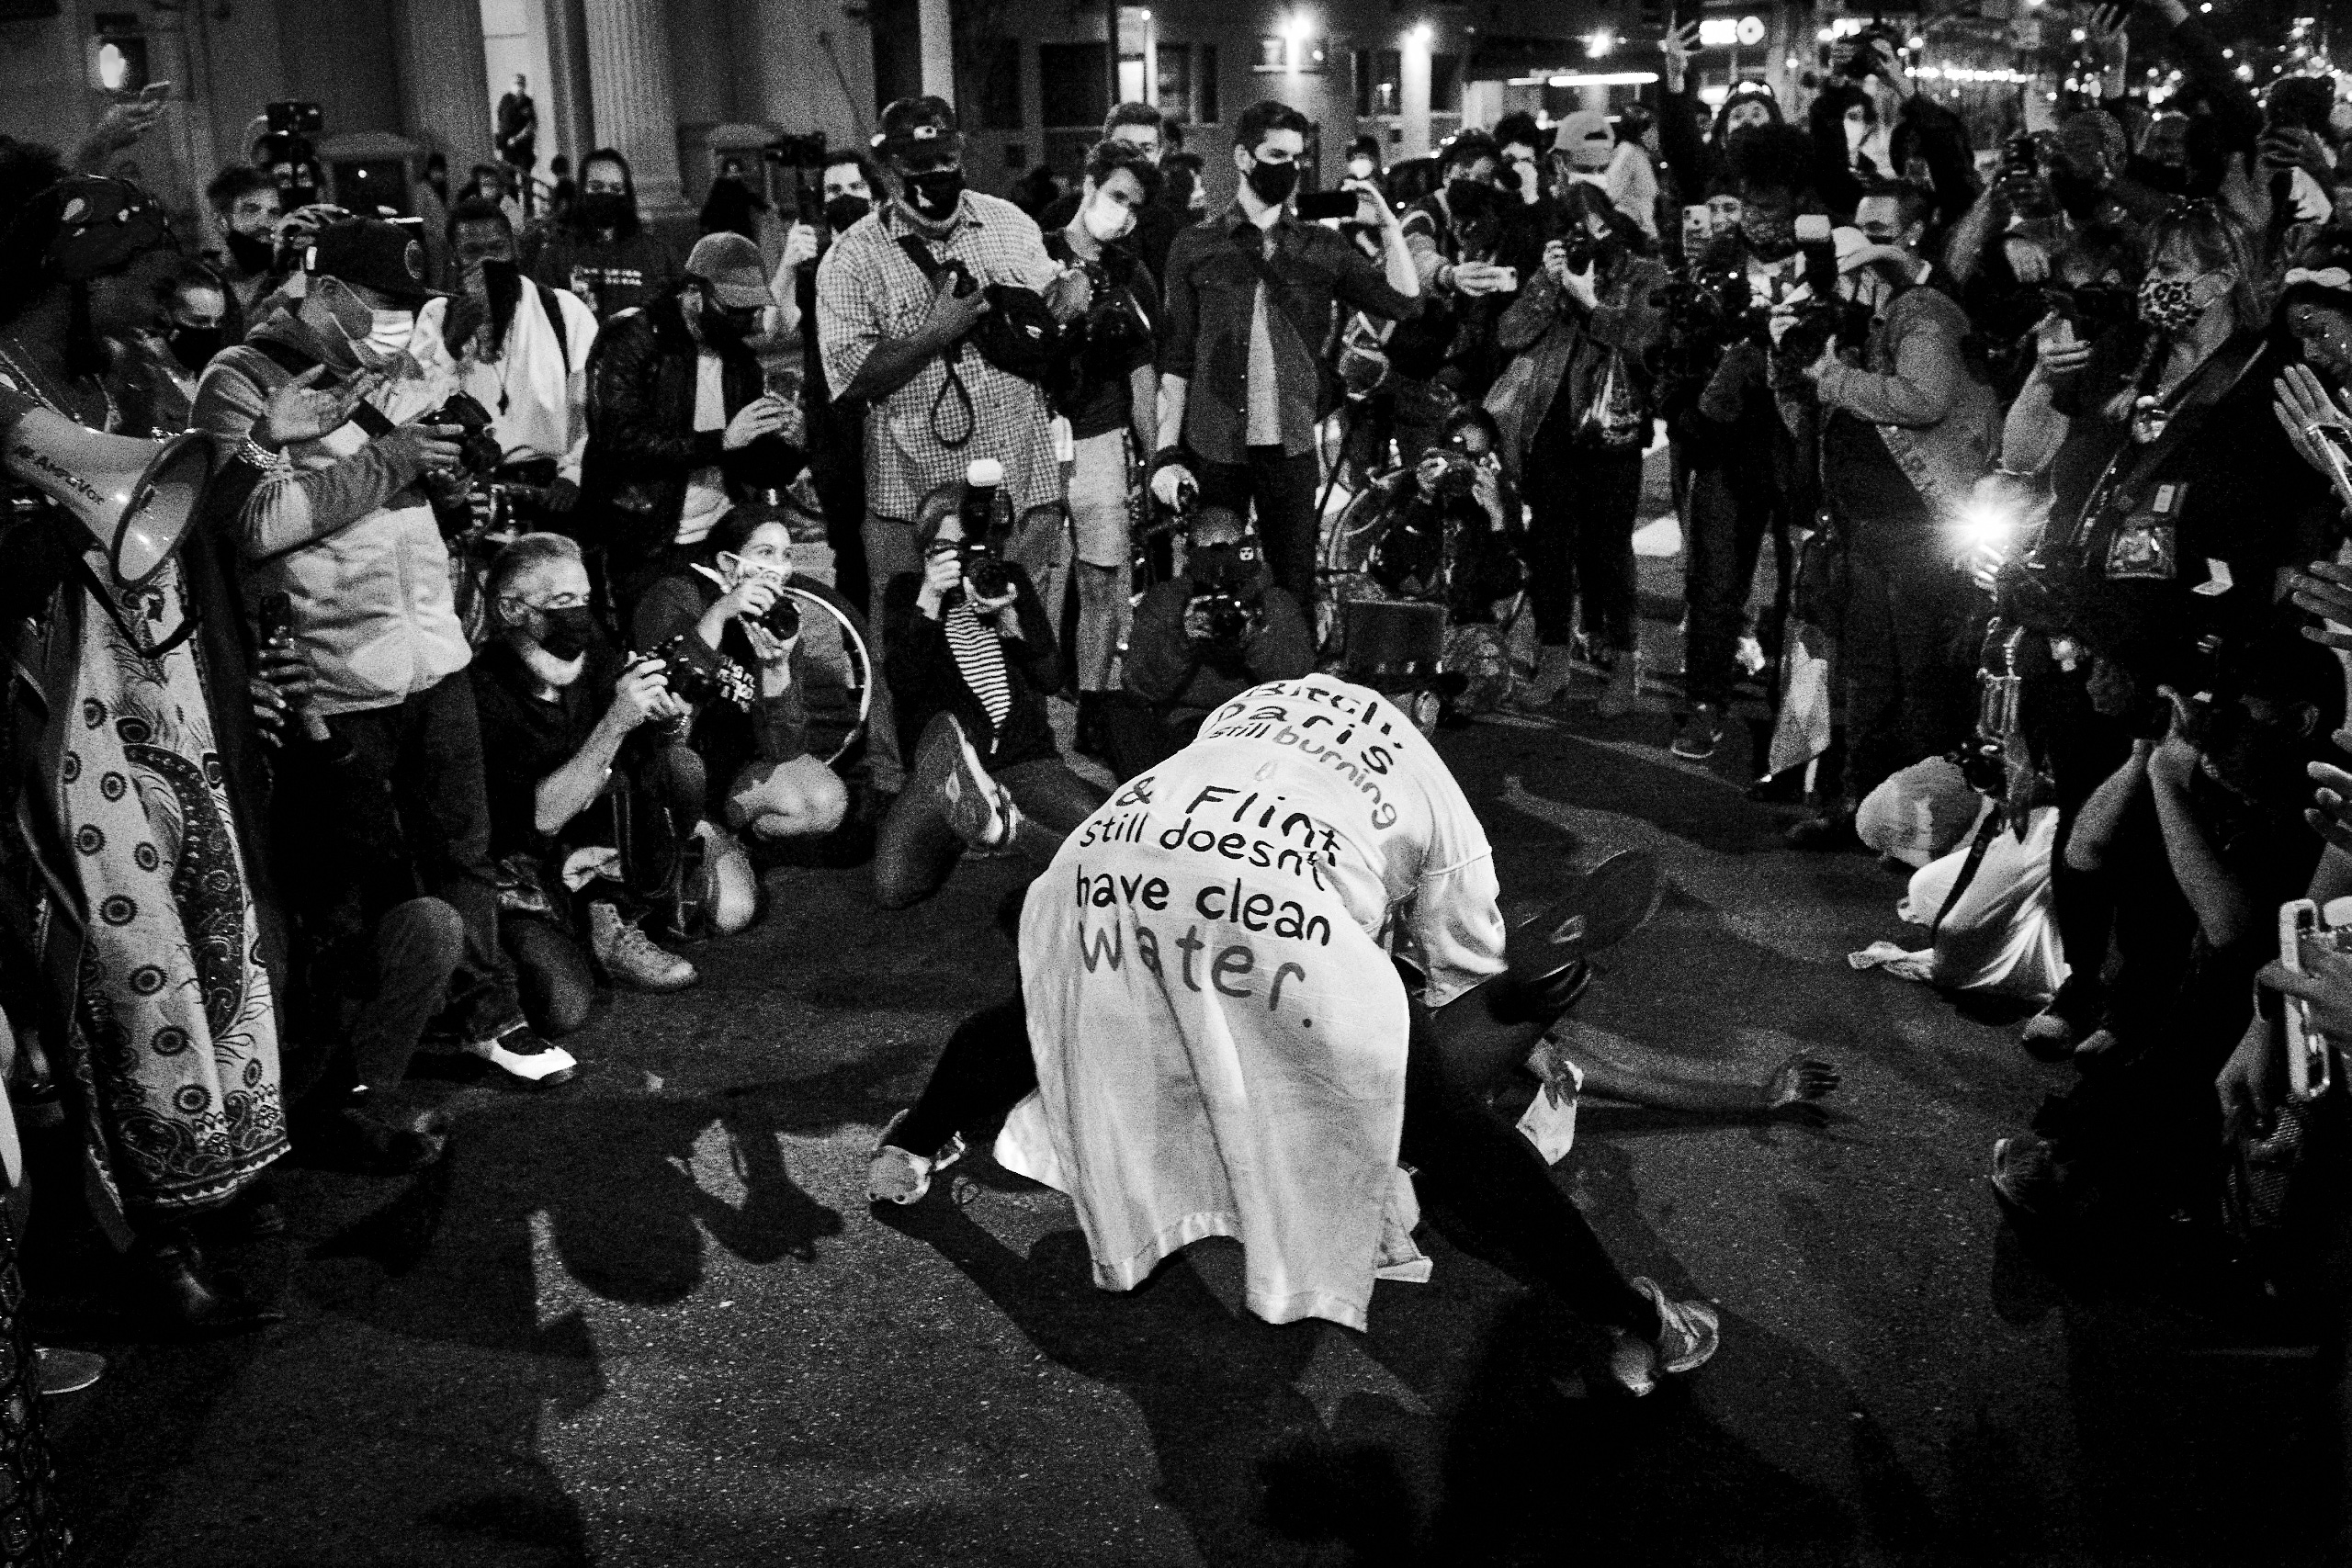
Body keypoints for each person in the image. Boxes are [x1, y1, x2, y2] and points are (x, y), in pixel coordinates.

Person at [870, 672, 1755, 1395]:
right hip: (1274, 921)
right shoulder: (1429, 780)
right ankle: (1637, 1323)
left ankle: (907, 1148)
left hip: (1113, 857)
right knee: (1452, 1137)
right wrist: (1498, 998)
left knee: (1032, 1020)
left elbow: (1204, 820)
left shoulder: (1255, 702)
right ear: (1420, 714)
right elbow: (1466, 971)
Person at [0, 175, 294, 1325]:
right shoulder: (11, 393)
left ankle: (227, 1166)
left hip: (163, 702)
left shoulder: (121, 373)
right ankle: (147, 1222)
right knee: (127, 961)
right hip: (63, 715)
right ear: (72, 279)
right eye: (131, 285)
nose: (151, 308)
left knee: (221, 931)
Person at [192, 217, 571, 1089]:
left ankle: (487, 1017)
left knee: (464, 852)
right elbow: (248, 524)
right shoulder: (239, 378)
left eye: (412, 302)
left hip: (432, 654)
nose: (400, 319)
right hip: (330, 671)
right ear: (321, 287)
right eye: (386, 301)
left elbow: (405, 498)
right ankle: (348, 1062)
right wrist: (395, 461)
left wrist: (440, 480)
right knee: (348, 881)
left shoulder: (397, 370)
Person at [816, 95, 1092, 793]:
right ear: (885, 169)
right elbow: (848, 378)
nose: (935, 174)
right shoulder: (852, 258)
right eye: (917, 164)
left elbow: (1053, 306)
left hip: (1019, 470)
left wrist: (1070, 298)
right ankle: (897, 776)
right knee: (903, 635)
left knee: (1013, 620)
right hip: (908, 488)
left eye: (946, 160)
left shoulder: (1008, 224)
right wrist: (935, 330)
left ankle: (1019, 765)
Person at [1782, 183, 1997, 844]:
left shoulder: (1922, 314)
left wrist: (1831, 378)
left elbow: (1923, 397)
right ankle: (1866, 811)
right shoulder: (1873, 321)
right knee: (1872, 678)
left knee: (1921, 680)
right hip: (1872, 528)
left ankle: (1924, 823)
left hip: (1919, 530)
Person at [1153, 99, 1421, 604]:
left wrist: (1388, 224)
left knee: (1292, 584)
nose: (1289, 170)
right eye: (1276, 155)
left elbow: (1405, 304)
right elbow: (1177, 361)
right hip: (1214, 444)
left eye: (1298, 158)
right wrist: (1165, 454)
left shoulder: (1319, 245)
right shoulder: (1195, 244)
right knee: (1211, 587)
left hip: (1291, 445)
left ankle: (1292, 680)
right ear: (1242, 157)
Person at [472, 533, 700, 1032]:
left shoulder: (589, 649)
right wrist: (616, 721)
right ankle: (569, 934)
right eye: (561, 602)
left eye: (583, 600)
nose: (578, 613)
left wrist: (663, 716)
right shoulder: (484, 690)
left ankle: (614, 917)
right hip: (525, 866)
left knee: (681, 766)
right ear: (512, 609)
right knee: (564, 1009)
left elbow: (643, 759)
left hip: (603, 843)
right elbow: (540, 817)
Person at [872, 482, 1106, 909]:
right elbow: (903, 684)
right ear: (928, 552)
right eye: (947, 548)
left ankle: (1003, 829)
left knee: (1102, 842)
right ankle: (981, 826)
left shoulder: (1008, 580)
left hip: (1023, 760)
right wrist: (930, 598)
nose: (963, 558)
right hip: (949, 772)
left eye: (970, 545)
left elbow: (1051, 677)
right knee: (894, 884)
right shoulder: (908, 593)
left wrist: (1010, 618)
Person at [1665, 125, 1822, 758]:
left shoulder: (1827, 259)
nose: (1759, 218)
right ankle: (1705, 703)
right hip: (1728, 441)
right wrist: (1696, 407)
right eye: (1750, 203)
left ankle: (1791, 712)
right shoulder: (1715, 262)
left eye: (1771, 205)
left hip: (1798, 444)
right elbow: (1677, 353)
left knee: (1799, 585)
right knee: (1716, 580)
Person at [1493, 180, 1664, 718]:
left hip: (1612, 432)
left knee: (1610, 549)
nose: (1583, 239)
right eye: (1568, 231)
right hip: (1550, 430)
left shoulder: (1644, 275)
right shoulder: (1554, 280)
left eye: (1589, 225)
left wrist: (1592, 301)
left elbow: (1646, 345)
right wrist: (1548, 284)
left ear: (1609, 222)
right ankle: (1553, 658)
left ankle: (1624, 664)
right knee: (1549, 546)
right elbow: (1509, 332)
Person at [577, 230, 804, 617]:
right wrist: (722, 442)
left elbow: (752, 465)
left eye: (751, 309)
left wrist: (793, 443)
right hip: (649, 537)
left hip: (721, 537)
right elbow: (619, 441)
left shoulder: (739, 360)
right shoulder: (633, 338)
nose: (745, 319)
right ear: (693, 294)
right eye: (733, 308)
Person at [629, 508, 854, 864]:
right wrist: (719, 615)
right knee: (734, 915)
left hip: (732, 775)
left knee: (826, 802)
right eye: (765, 553)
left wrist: (777, 666)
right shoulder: (672, 596)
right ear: (726, 561)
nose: (779, 567)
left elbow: (786, 748)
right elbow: (668, 698)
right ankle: (702, 844)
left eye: (786, 555)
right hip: (673, 775)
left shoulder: (772, 614)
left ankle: (739, 839)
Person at [1046, 139, 1162, 758]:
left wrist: (1151, 457)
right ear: (1089, 182)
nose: (1123, 215)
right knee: (1034, 579)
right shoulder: (1036, 252)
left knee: (1101, 580)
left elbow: (1143, 372)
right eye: (1117, 196)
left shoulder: (1130, 270)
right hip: (1039, 438)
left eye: (1135, 207)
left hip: (1102, 437)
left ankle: (1092, 708)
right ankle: (1028, 714)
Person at [417, 197, 599, 532]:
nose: (486, 261)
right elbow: (416, 412)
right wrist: (450, 347)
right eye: (472, 251)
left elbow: (596, 410)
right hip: (472, 495)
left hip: (553, 490)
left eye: (496, 248)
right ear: (454, 258)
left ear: (514, 249)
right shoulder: (436, 317)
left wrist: (575, 474)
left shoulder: (564, 311)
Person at [1101, 503, 1314, 780]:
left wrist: (1254, 637)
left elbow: (1300, 688)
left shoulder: (1274, 602)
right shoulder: (1168, 600)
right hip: (1188, 732)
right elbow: (1139, 686)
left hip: (1255, 729)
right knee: (1118, 711)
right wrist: (1182, 638)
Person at [773, 148, 882, 615]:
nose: (845, 197)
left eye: (856, 188)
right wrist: (787, 263)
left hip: (888, 411)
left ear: (875, 196)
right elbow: (777, 325)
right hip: (834, 422)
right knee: (849, 545)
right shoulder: (811, 259)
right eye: (834, 190)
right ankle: (860, 658)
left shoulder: (890, 250)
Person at [1392, 130, 1516, 464]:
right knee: (1427, 467)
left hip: (1471, 366)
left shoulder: (1489, 220)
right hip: (1416, 362)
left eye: (1484, 177)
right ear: (1447, 173)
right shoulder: (1424, 213)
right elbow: (1415, 253)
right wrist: (1447, 275)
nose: (1473, 183)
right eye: (1464, 173)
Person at [532, 148, 680, 322]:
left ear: (627, 193)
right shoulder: (556, 257)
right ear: (582, 192)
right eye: (596, 187)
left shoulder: (658, 253)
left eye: (616, 188)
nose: (606, 194)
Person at [1038, 103, 1182, 276]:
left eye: (1147, 149)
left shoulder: (1166, 223)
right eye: (1124, 145)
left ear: (1160, 154)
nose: (1136, 156)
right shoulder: (1058, 213)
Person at [496, 74, 539, 216]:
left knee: (526, 179)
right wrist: (502, 141)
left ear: (524, 85)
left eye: (521, 84)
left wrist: (516, 138)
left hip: (523, 148)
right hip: (508, 149)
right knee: (510, 182)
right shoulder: (505, 100)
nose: (518, 86)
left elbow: (531, 125)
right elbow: (500, 121)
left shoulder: (527, 102)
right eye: (516, 83)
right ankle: (514, 213)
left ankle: (529, 212)